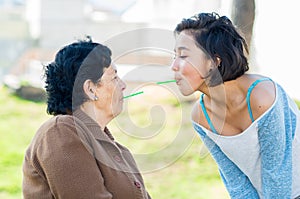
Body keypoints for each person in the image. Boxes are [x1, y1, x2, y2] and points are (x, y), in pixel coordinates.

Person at [171, 12, 300, 198]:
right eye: (174, 56)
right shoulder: (201, 116)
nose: (174, 66)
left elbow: (277, 176)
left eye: (183, 56)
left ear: (213, 62)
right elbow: (236, 183)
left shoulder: (262, 97)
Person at [22, 37, 151, 199]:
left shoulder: (117, 149)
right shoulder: (60, 131)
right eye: (115, 77)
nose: (123, 85)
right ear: (90, 89)